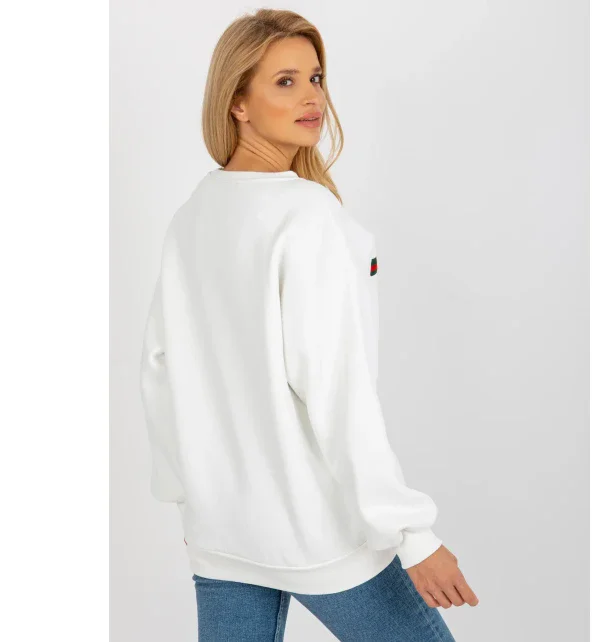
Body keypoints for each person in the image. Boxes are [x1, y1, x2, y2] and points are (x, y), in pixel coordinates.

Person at [139, 8, 478, 641]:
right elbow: (335, 389)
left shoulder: (194, 213)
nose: (312, 97)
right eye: (285, 81)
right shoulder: (308, 216)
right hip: (322, 533)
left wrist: (188, 491)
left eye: (315, 78)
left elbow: (158, 368)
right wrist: (411, 532)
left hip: (221, 531)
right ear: (238, 102)